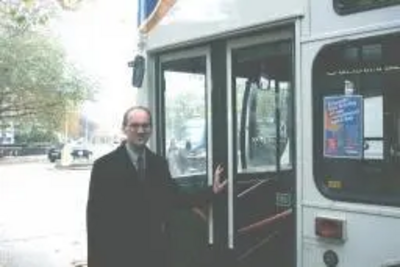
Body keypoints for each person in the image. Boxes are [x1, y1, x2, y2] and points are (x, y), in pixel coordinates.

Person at [86, 106, 227, 267]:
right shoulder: (104, 167)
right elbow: (95, 220)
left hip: (153, 254)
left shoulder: (159, 164)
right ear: (124, 128)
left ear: (151, 129)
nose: (140, 130)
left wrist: (211, 191)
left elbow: (177, 197)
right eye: (134, 125)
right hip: (119, 255)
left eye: (145, 125)